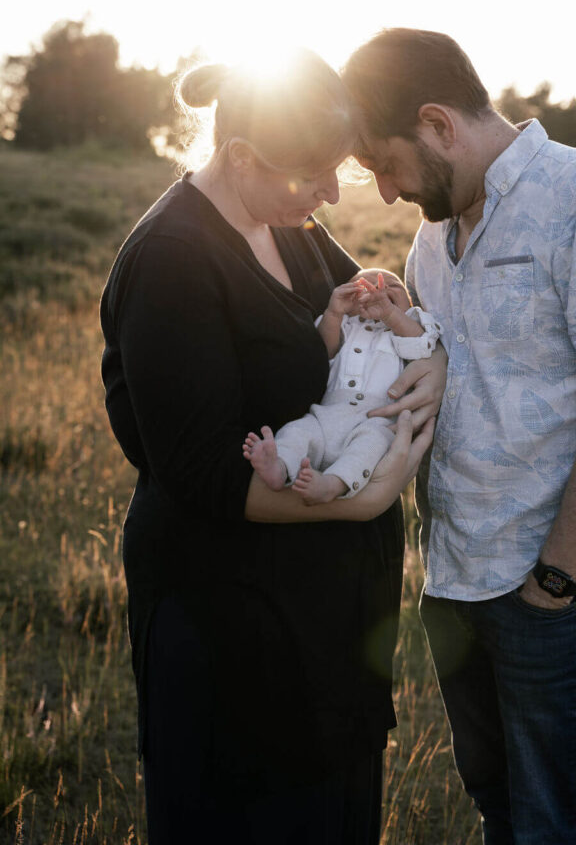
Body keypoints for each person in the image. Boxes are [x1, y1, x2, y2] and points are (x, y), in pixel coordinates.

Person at [100, 49, 445, 845]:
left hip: (324, 621)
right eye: (313, 173)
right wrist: (368, 493)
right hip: (228, 625)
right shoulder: (171, 261)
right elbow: (199, 474)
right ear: (241, 158)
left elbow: (377, 330)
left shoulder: (290, 228)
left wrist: (429, 370)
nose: (330, 192)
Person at [341, 28, 576, 845]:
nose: (383, 193)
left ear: (438, 124)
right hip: (454, 578)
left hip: (548, 581)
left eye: (386, 165)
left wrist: (555, 584)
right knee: (497, 807)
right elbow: (444, 369)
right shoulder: (432, 233)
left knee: (552, 825)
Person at [243, 268, 442, 503]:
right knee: (297, 431)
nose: (381, 288)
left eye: (393, 287)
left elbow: (421, 346)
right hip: (326, 414)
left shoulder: (406, 328)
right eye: (364, 286)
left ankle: (332, 484)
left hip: (375, 419)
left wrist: (390, 314)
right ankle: (280, 466)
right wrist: (334, 312)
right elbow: (321, 353)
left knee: (372, 446)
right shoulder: (345, 324)